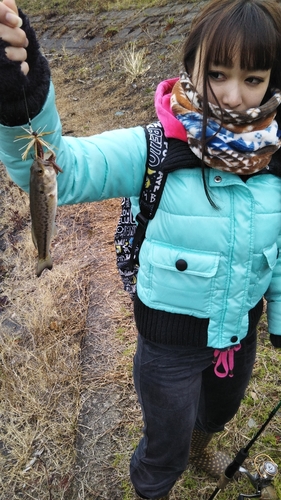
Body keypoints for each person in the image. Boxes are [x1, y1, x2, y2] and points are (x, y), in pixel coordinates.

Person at [0, 0, 281, 498]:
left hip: (239, 332)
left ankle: (202, 447)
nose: (234, 96)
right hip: (167, 345)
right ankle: (156, 483)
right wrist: (22, 100)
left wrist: (277, 318)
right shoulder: (151, 148)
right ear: (191, 63)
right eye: (217, 73)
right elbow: (56, 166)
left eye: (253, 79)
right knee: (162, 444)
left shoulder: (275, 160)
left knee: (219, 411)